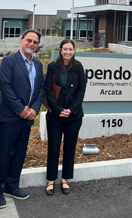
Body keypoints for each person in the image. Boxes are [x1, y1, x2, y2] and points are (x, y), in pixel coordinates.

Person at [0, 29, 44, 209]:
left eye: (35, 42)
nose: (31, 44)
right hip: (9, 117)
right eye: (28, 40)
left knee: (19, 154)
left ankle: (12, 186)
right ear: (21, 41)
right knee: (2, 154)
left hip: (27, 119)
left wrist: (34, 111)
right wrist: (21, 110)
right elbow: (5, 87)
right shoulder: (9, 61)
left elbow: (40, 90)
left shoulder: (38, 65)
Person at [44, 39, 87, 196]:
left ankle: (65, 179)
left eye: (70, 49)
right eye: (65, 49)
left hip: (73, 116)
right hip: (55, 116)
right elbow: (48, 90)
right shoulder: (52, 66)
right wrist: (58, 109)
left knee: (69, 147)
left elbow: (81, 90)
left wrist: (71, 110)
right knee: (53, 147)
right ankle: (50, 180)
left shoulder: (78, 67)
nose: (68, 52)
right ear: (60, 50)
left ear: (74, 51)